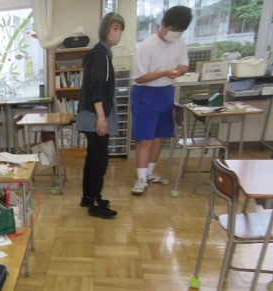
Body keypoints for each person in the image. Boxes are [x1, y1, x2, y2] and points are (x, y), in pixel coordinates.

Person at [130, 5, 192, 195]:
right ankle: (140, 179)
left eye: (180, 30)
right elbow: (139, 77)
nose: (175, 33)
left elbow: (184, 64)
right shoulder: (147, 45)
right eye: (173, 29)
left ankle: (149, 173)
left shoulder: (180, 42)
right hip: (145, 94)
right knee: (144, 138)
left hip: (166, 93)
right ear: (164, 24)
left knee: (160, 136)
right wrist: (164, 72)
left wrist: (182, 69)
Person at [76, 12, 125, 219]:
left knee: (93, 157)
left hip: (91, 114)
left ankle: (88, 197)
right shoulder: (100, 56)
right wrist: (102, 117)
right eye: (115, 28)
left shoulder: (100, 54)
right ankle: (95, 203)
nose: (118, 33)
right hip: (95, 115)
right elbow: (97, 87)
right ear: (105, 30)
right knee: (100, 160)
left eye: (120, 29)